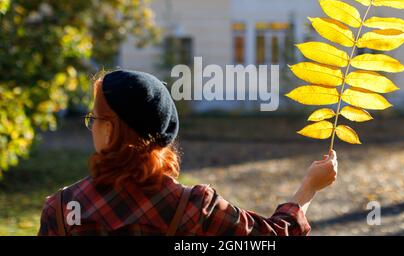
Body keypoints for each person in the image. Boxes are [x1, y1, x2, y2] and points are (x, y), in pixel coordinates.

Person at [38, 69, 337, 236]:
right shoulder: (194, 208)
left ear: (112, 130)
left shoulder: (62, 210)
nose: (91, 127)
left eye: (95, 118)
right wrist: (309, 187)